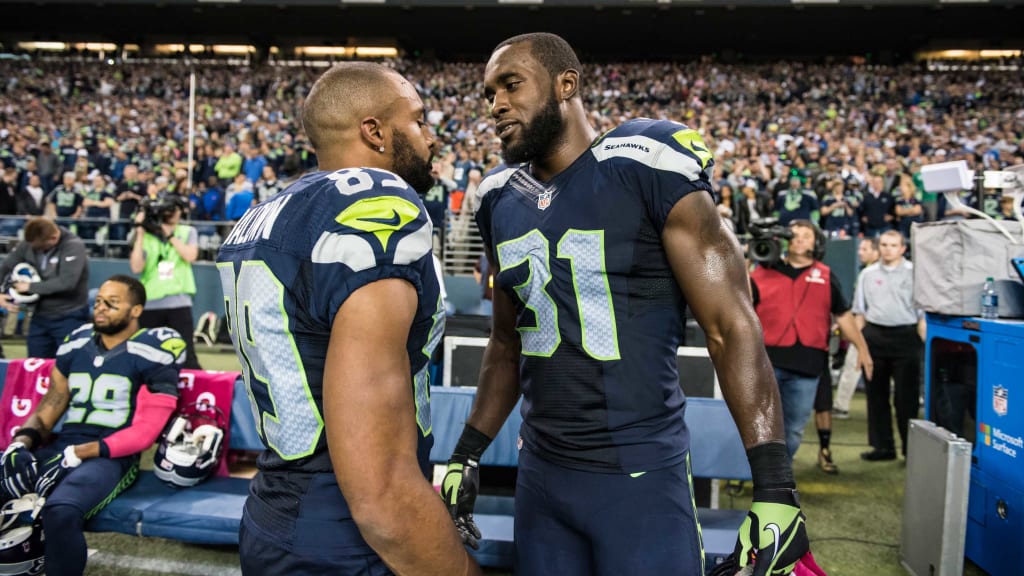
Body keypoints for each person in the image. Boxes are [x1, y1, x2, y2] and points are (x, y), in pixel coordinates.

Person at [443, 33, 808, 575]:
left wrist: (775, 484)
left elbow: (731, 326)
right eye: (489, 91)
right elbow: (505, 340)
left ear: (567, 84)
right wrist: (467, 450)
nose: (495, 103)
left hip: (639, 475)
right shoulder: (500, 196)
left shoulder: (645, 164)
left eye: (511, 85)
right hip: (541, 473)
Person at [216, 62, 481, 576]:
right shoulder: (378, 207)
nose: (431, 137)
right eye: (419, 121)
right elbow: (380, 493)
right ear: (375, 131)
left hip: (272, 513)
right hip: (345, 533)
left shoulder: (264, 214)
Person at [0, 275, 183, 576]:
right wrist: (21, 443)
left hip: (109, 456)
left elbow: (145, 433)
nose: (101, 308)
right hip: (63, 447)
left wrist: (79, 453)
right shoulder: (77, 343)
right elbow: (50, 404)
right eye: (99, 302)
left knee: (61, 510)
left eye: (112, 303)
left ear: (136, 310)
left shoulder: (154, 350)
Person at [749, 220, 872, 472]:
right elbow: (740, 308)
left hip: (807, 365)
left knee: (793, 430)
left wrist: (863, 349)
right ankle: (753, 474)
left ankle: (777, 476)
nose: (801, 239)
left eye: (807, 235)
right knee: (758, 427)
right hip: (765, 363)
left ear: (816, 242)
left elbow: (844, 316)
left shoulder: (827, 276)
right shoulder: (760, 272)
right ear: (783, 239)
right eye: (794, 234)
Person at [852, 230, 924, 461]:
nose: (887, 249)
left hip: (907, 336)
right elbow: (859, 314)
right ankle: (883, 447)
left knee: (907, 399)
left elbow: (922, 316)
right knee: (876, 397)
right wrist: (860, 348)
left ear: (903, 248)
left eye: (893, 245)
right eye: (883, 244)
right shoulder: (867, 274)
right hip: (875, 336)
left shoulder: (916, 273)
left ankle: (910, 450)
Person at [129, 194, 202, 369]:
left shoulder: (187, 232)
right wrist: (139, 233)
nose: (169, 214)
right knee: (147, 352)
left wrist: (169, 236)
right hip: (151, 301)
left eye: (172, 210)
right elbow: (136, 267)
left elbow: (190, 256)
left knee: (186, 352)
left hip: (178, 301)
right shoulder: (146, 236)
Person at [0, 217, 90, 358]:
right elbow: (6, 266)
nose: (35, 250)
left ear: (54, 238)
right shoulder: (30, 244)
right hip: (40, 316)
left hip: (69, 315)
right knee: (35, 364)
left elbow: (67, 282)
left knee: (68, 364)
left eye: (40, 247)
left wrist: (30, 286)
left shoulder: (73, 246)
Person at [832, 237, 880, 419]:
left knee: (854, 364)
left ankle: (841, 406)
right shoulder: (865, 271)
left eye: (865, 249)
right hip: (863, 324)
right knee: (853, 365)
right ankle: (841, 405)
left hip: (870, 327)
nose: (860, 252)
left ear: (876, 252)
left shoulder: (872, 273)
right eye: (860, 248)